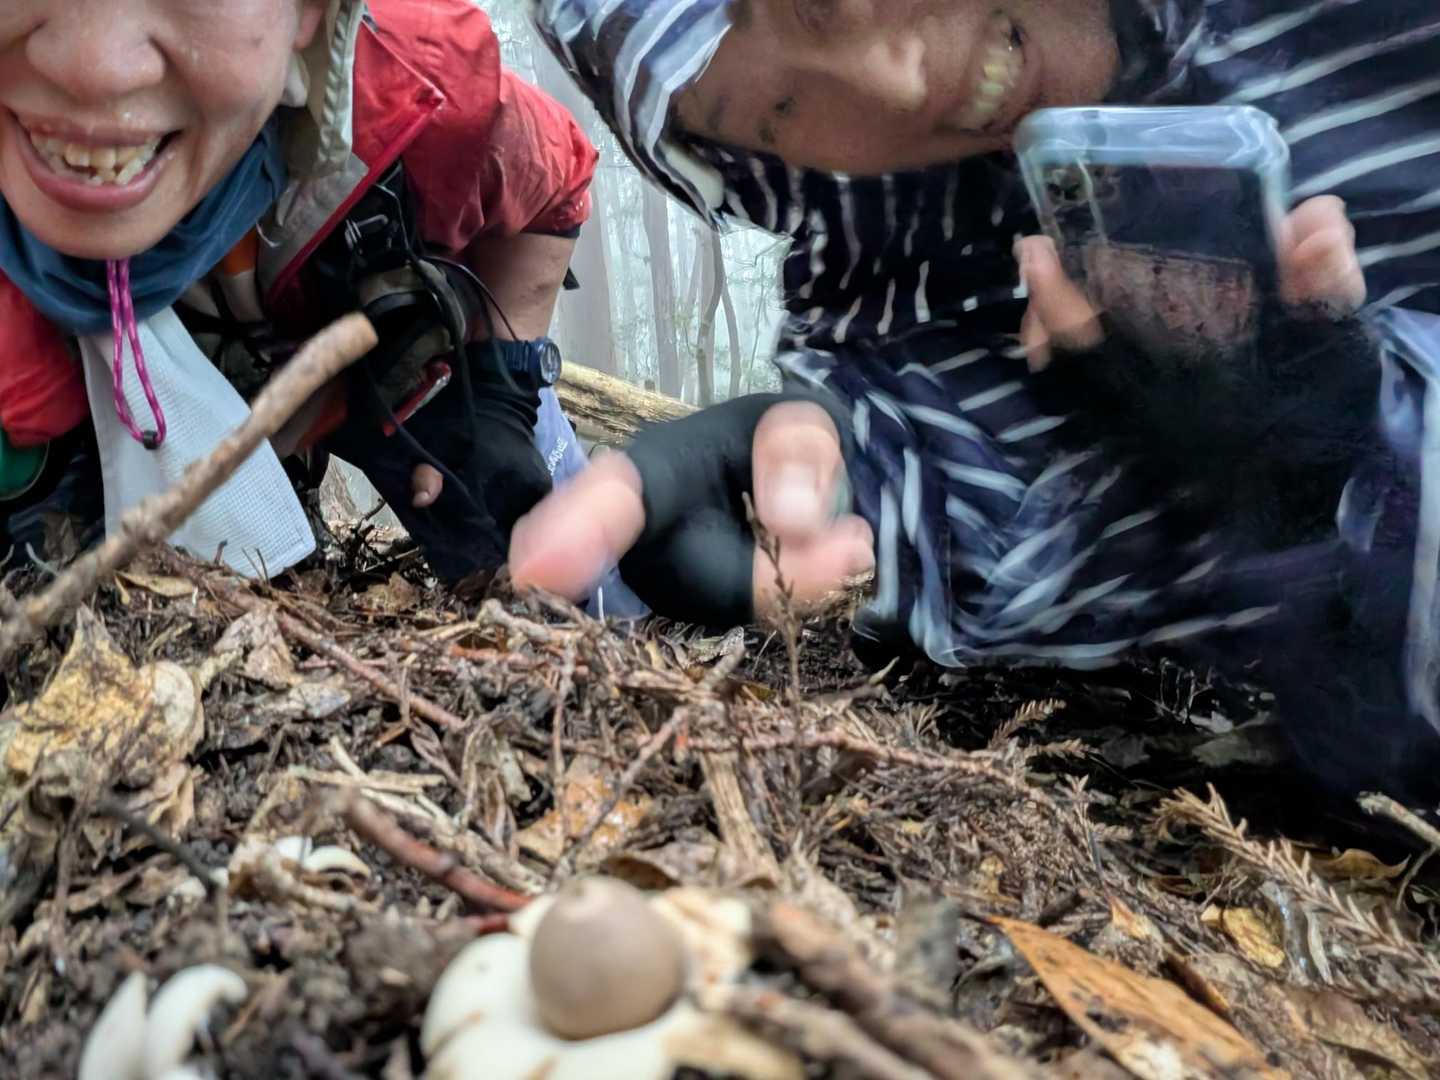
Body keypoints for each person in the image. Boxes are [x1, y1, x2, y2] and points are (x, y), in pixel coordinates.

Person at [514, 0, 1440, 800]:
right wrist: (857, 474)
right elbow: (994, 515)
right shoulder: (919, 259)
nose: (897, 87)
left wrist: (1360, 426)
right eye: (777, 111)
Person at [0, 0, 600, 588]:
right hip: (214, 404)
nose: (94, 71)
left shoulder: (418, 90)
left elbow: (559, 178)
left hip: (384, 369)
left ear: (310, 13)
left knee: (533, 540)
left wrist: (500, 393)